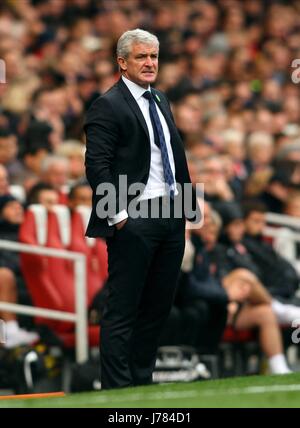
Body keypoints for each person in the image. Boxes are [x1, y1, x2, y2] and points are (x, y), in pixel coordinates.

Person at [84, 29, 200, 390]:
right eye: (141, 57)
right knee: (123, 311)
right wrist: (119, 218)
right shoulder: (108, 104)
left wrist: (186, 209)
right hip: (134, 217)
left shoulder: (161, 99)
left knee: (156, 310)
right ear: (122, 62)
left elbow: (173, 157)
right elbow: (96, 167)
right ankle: (118, 392)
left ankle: (142, 385)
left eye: (153, 56)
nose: (150, 63)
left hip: (171, 216)